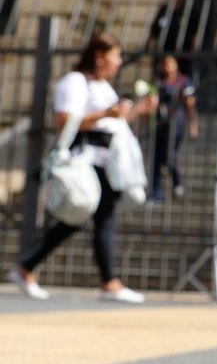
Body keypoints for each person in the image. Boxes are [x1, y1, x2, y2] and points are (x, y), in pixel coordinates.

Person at [7, 33, 157, 303]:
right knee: (83, 218)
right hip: (85, 161)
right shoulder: (75, 82)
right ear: (99, 58)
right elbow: (64, 120)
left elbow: (113, 124)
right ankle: (107, 282)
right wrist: (106, 114)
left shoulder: (103, 86)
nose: (119, 62)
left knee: (85, 219)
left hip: (105, 162)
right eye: (115, 56)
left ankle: (28, 268)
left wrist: (138, 111)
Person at [151, 55, 197, 202]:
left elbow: (190, 103)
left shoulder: (183, 81)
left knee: (170, 155)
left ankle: (177, 183)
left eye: (170, 64)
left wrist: (192, 123)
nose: (167, 67)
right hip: (160, 123)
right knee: (156, 158)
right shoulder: (159, 82)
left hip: (176, 122)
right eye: (164, 64)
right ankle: (156, 193)